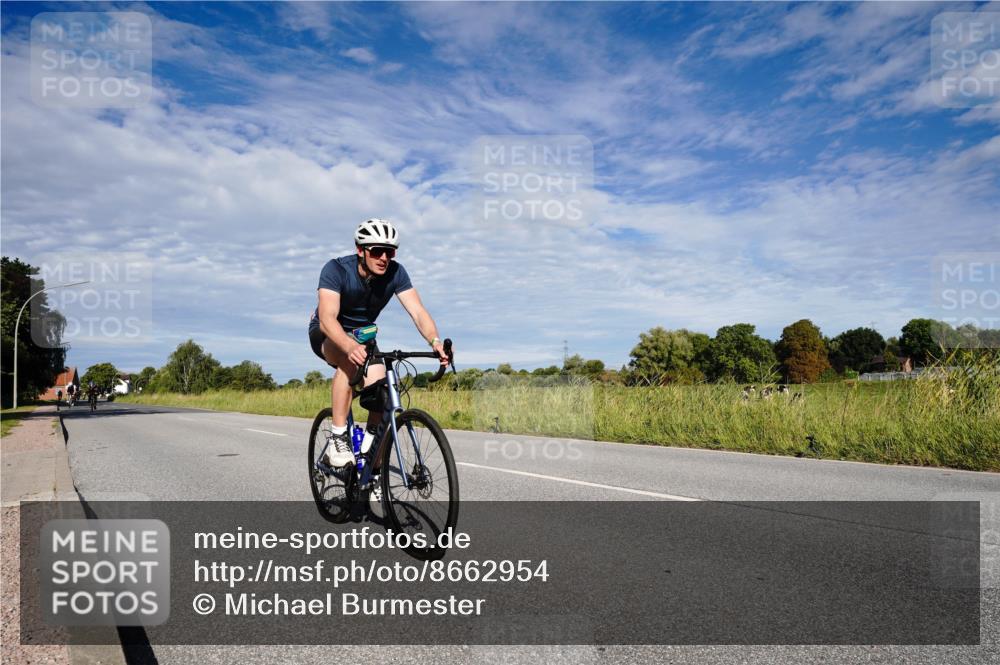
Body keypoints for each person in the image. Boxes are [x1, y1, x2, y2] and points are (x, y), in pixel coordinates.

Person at [308, 219, 448, 468]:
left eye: (390, 252)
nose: (384, 258)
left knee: (384, 392)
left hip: (364, 337)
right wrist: (349, 346)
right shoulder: (336, 269)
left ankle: (370, 456)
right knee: (350, 360)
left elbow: (418, 311)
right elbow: (327, 318)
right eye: (377, 251)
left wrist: (435, 341)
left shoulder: (396, 273)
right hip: (328, 333)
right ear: (360, 250)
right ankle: (337, 438)